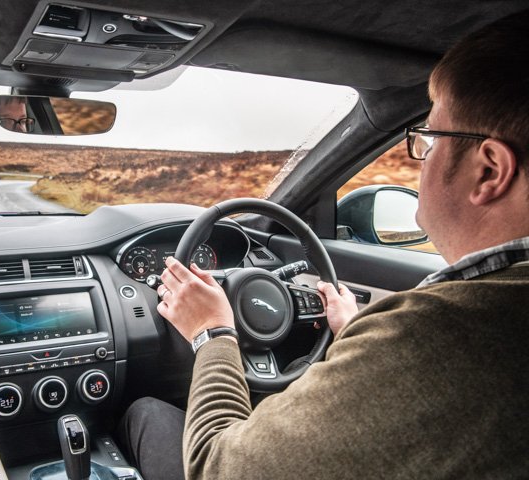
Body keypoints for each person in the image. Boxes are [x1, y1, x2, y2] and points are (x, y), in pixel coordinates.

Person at [119, 11, 529, 479]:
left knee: (144, 413)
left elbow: (216, 467)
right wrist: (358, 333)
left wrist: (212, 331)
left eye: (430, 140)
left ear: (489, 170)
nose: (421, 158)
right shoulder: (465, 333)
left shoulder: (433, 339)